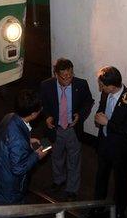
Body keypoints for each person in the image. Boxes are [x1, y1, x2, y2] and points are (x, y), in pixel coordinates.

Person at [0, 89, 50, 218]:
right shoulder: (18, 139)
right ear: (33, 114)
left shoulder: (9, 117)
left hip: (2, 183)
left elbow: (9, 139)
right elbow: (18, 168)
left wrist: (27, 140)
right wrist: (37, 156)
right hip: (10, 192)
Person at [89, 66, 127, 218]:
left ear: (112, 86)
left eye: (102, 85)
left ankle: (120, 210)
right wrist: (98, 116)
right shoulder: (106, 93)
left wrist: (107, 123)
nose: (100, 88)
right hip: (104, 144)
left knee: (120, 181)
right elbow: (102, 109)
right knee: (101, 177)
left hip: (120, 150)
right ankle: (98, 206)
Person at [40, 58, 94, 201]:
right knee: (56, 157)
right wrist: (47, 117)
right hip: (55, 129)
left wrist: (80, 115)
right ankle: (59, 181)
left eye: (70, 75)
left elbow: (89, 101)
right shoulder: (46, 86)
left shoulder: (81, 84)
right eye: (64, 76)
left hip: (72, 129)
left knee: (74, 160)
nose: (67, 79)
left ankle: (72, 189)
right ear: (56, 74)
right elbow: (42, 104)